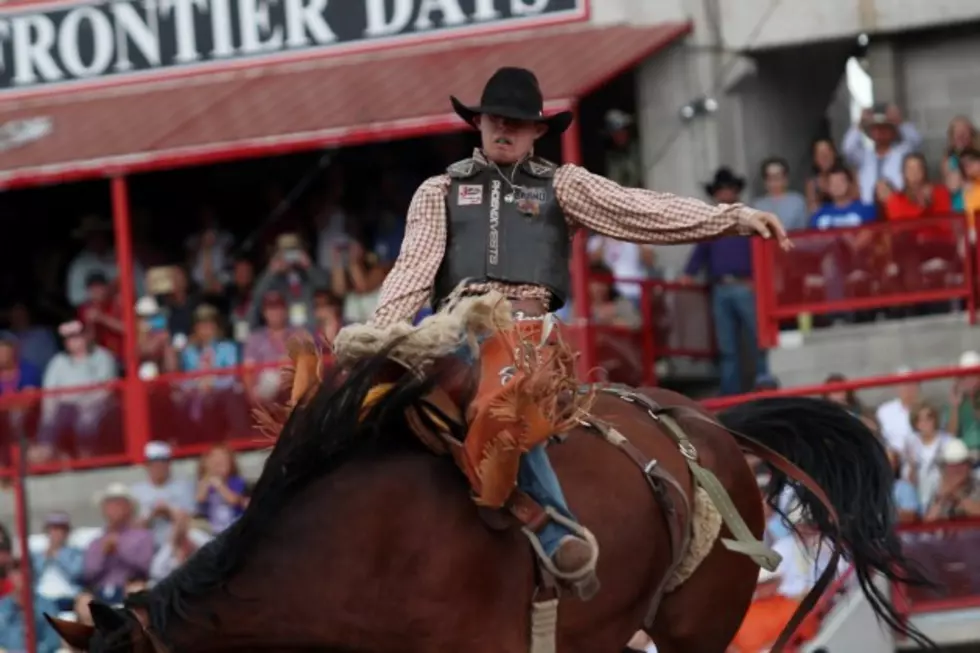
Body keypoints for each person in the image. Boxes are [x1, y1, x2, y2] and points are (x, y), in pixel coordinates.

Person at [363, 67, 789, 593]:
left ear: (538, 130)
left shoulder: (562, 185)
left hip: (527, 328)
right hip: (451, 328)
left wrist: (729, 218)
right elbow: (412, 270)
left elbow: (638, 209)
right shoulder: (439, 190)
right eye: (496, 119)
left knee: (505, 389)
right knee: (363, 402)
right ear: (478, 122)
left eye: (517, 123)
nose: (504, 130)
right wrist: (377, 337)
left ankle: (556, 529)